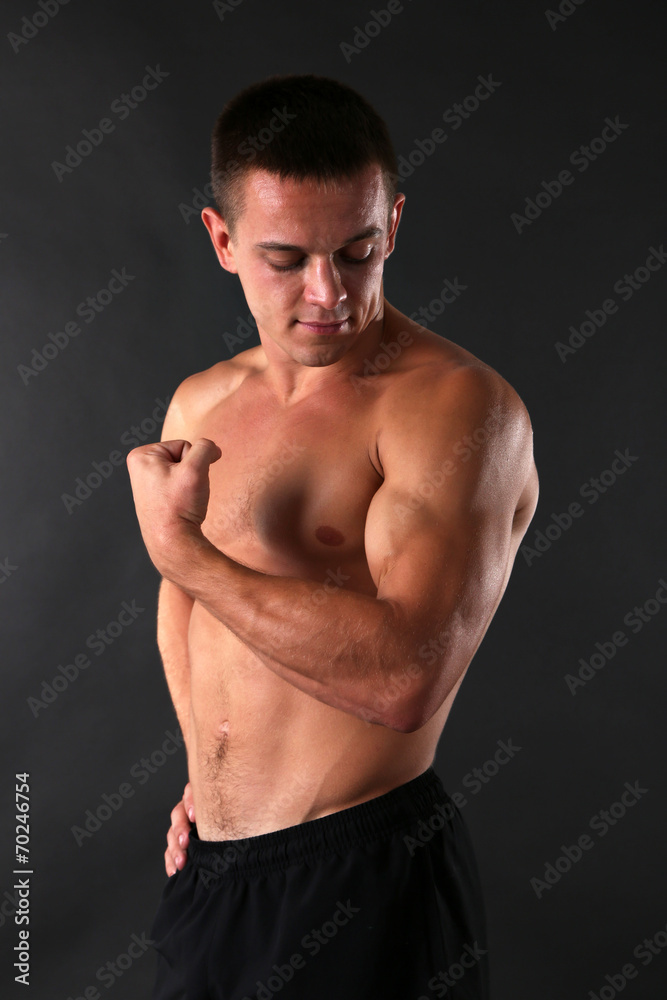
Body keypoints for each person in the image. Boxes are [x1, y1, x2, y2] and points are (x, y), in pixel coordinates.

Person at [127, 73, 539, 1000]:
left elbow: (404, 679)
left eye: (357, 251)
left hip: (359, 877)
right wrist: (209, 781)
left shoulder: (453, 408)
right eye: (285, 258)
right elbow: (185, 615)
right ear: (222, 240)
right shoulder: (202, 400)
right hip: (212, 878)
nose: (329, 293)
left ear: (392, 224)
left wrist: (184, 551)